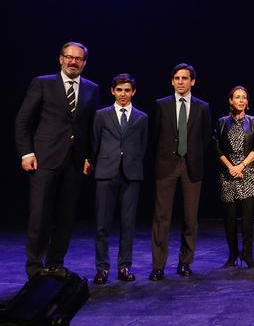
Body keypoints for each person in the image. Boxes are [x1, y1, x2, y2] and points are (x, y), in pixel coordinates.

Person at [14, 42, 99, 278]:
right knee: (39, 215)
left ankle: (55, 263)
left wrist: (88, 156)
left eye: (79, 59)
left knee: (65, 216)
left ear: (84, 63)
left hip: (74, 162)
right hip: (44, 160)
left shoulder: (92, 89)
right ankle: (34, 267)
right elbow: (23, 121)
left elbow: (91, 127)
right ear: (60, 59)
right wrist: (26, 152)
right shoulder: (42, 83)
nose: (73, 62)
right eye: (69, 57)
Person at [149, 63, 213, 281]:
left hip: (191, 167)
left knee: (190, 218)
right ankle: (158, 265)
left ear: (192, 81)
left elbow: (205, 138)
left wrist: (192, 156)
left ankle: (185, 262)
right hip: (166, 166)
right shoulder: (161, 105)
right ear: (172, 81)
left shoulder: (202, 107)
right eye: (176, 78)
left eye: (185, 78)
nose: (180, 82)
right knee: (161, 217)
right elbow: (154, 136)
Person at [92, 73, 147, 283]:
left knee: (128, 223)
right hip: (106, 172)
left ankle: (124, 267)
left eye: (127, 90)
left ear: (133, 92)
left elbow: (143, 145)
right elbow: (95, 142)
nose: (123, 94)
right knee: (102, 224)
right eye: (119, 90)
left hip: (131, 174)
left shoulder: (142, 117)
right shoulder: (101, 115)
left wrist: (133, 162)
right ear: (112, 91)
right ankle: (102, 268)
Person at [215, 86, 254, 268]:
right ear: (230, 100)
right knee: (230, 219)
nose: (241, 100)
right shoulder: (221, 122)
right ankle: (232, 255)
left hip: (248, 173)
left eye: (244, 97)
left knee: (248, 219)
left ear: (247, 102)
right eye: (237, 97)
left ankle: (248, 256)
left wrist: (241, 166)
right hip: (227, 175)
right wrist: (231, 167)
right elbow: (216, 147)